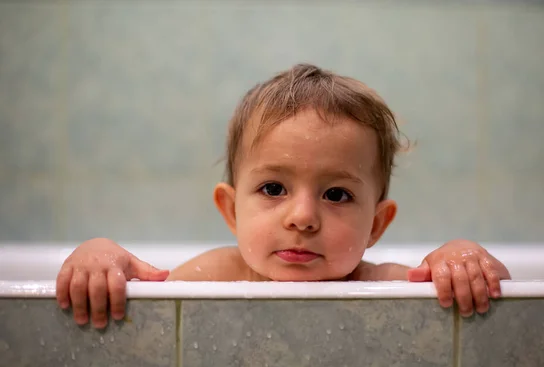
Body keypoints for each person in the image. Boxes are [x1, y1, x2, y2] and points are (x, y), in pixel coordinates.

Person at [56, 64, 511, 329]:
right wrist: (98, 254)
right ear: (232, 211)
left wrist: (460, 258)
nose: (303, 217)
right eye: (273, 188)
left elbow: (505, 290)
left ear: (375, 224)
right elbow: (140, 290)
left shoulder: (381, 282)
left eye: (336, 194)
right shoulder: (211, 276)